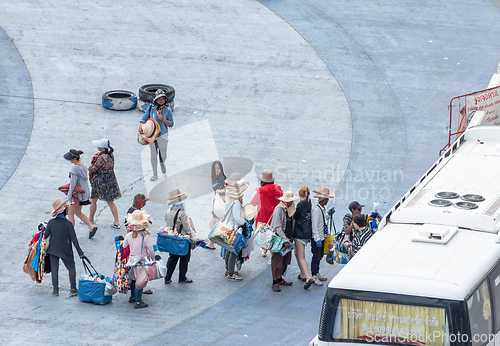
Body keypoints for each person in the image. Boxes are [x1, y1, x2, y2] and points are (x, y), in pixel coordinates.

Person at [45, 198, 86, 296]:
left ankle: (55, 290)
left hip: (53, 249)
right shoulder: (68, 224)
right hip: (65, 250)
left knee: (54, 269)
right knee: (71, 268)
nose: (68, 210)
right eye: (67, 209)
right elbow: (74, 240)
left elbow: (45, 235)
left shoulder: (51, 222)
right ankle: (73, 288)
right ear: (64, 211)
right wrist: (81, 254)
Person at [164, 188, 199, 284]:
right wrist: (195, 238)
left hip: (172, 238)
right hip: (182, 240)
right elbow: (188, 229)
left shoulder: (168, 211)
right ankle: (182, 277)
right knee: (184, 259)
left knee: (172, 258)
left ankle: (167, 277)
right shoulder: (182, 213)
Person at [139, 90, 174, 181]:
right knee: (153, 155)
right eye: (159, 99)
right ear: (156, 100)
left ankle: (162, 164)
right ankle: (155, 174)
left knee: (163, 154)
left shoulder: (168, 110)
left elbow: (171, 124)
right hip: (152, 136)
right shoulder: (151, 108)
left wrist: (162, 119)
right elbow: (143, 118)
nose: (161, 100)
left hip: (163, 136)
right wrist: (141, 126)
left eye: (162, 99)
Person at [63, 149, 98, 239]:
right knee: (78, 212)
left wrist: (69, 197)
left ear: (74, 158)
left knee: (70, 213)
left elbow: (73, 184)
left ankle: (70, 234)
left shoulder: (74, 169)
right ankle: (91, 226)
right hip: (84, 193)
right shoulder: (83, 165)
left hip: (76, 195)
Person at [123, 210, 154, 309]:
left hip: (132, 261)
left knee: (133, 279)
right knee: (140, 282)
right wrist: (153, 258)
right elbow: (150, 250)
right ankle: (138, 301)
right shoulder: (145, 237)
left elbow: (124, 246)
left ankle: (132, 296)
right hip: (141, 262)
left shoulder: (128, 235)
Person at [88, 139, 122, 229]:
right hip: (110, 179)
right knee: (110, 201)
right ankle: (116, 221)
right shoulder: (110, 155)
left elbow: (93, 169)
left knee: (93, 199)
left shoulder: (101, 157)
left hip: (100, 180)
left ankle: (91, 219)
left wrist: (90, 167)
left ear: (102, 148)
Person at [250, 169, 283, 261]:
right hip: (275, 217)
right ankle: (266, 251)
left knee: (263, 235)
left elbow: (252, 203)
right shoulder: (278, 190)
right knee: (273, 236)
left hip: (263, 218)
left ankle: (268, 253)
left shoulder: (261, 192)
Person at [270, 191, 298, 292]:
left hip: (288, 239)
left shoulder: (288, 209)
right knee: (276, 262)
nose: (291, 203)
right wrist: (285, 240)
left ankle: (279, 279)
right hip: (280, 240)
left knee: (285, 262)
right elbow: (277, 227)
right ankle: (274, 282)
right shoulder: (279, 210)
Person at [223, 173, 249, 281]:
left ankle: (228, 269)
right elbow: (237, 218)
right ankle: (231, 273)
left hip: (228, 228)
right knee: (233, 251)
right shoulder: (237, 203)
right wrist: (246, 221)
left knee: (228, 250)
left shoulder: (229, 200)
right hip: (234, 230)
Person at [311, 186, 335, 286]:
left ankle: (317, 272)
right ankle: (313, 275)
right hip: (317, 238)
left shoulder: (321, 209)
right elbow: (314, 226)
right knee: (316, 256)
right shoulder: (316, 210)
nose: (327, 200)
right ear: (323, 199)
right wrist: (317, 239)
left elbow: (322, 219)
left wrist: (329, 214)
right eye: (326, 199)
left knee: (320, 255)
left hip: (321, 237)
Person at [293, 186, 315, 289]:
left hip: (300, 233)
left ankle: (307, 276)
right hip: (307, 232)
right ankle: (302, 274)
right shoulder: (309, 203)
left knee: (301, 256)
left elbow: (295, 216)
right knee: (297, 253)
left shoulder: (301, 204)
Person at [207, 160, 226, 250]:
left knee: (219, 225)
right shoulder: (215, 179)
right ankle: (211, 243)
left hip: (220, 205)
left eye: (218, 169)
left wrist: (221, 191)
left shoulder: (223, 179)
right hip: (216, 204)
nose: (217, 171)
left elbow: (229, 189)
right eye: (215, 169)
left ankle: (225, 243)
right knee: (212, 223)